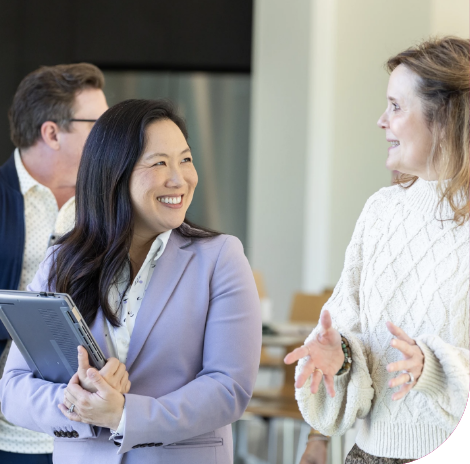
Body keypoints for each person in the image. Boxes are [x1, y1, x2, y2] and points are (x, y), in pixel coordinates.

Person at [0, 99, 262, 464]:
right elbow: (12, 389)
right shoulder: (62, 261)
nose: (180, 178)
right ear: (113, 172)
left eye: (185, 159)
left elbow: (228, 387)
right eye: (159, 163)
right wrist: (78, 404)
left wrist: (123, 414)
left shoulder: (220, 258)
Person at [285, 36, 469, 463]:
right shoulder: (380, 211)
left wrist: (437, 369)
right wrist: (339, 354)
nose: (381, 120)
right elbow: (349, 328)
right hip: (367, 455)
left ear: (444, 116)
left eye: (396, 106)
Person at [0, 63, 108, 463]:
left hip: (93, 431)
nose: (109, 135)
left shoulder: (111, 209)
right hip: (9, 433)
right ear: (52, 133)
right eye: (98, 123)